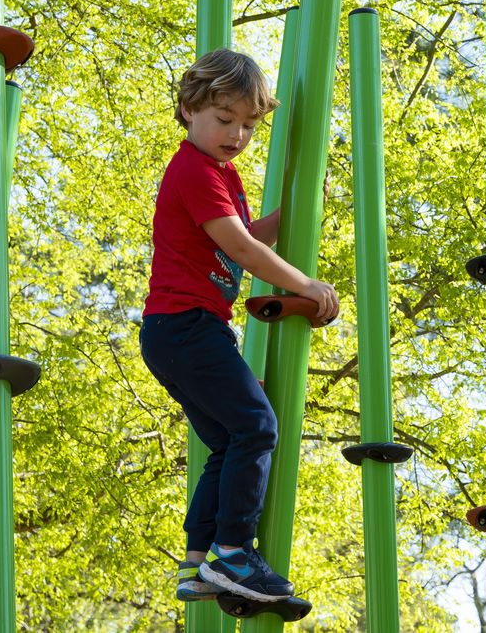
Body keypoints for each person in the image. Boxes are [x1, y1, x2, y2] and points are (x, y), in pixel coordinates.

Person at [140, 48, 339, 603]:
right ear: (188, 109)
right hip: (186, 325)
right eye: (225, 120)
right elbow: (243, 251)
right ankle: (234, 554)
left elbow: (246, 238)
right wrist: (306, 285)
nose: (237, 134)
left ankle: (198, 563)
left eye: (249, 124)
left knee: (228, 442)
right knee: (256, 427)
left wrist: (297, 211)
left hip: (178, 331)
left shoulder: (220, 174)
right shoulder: (194, 170)